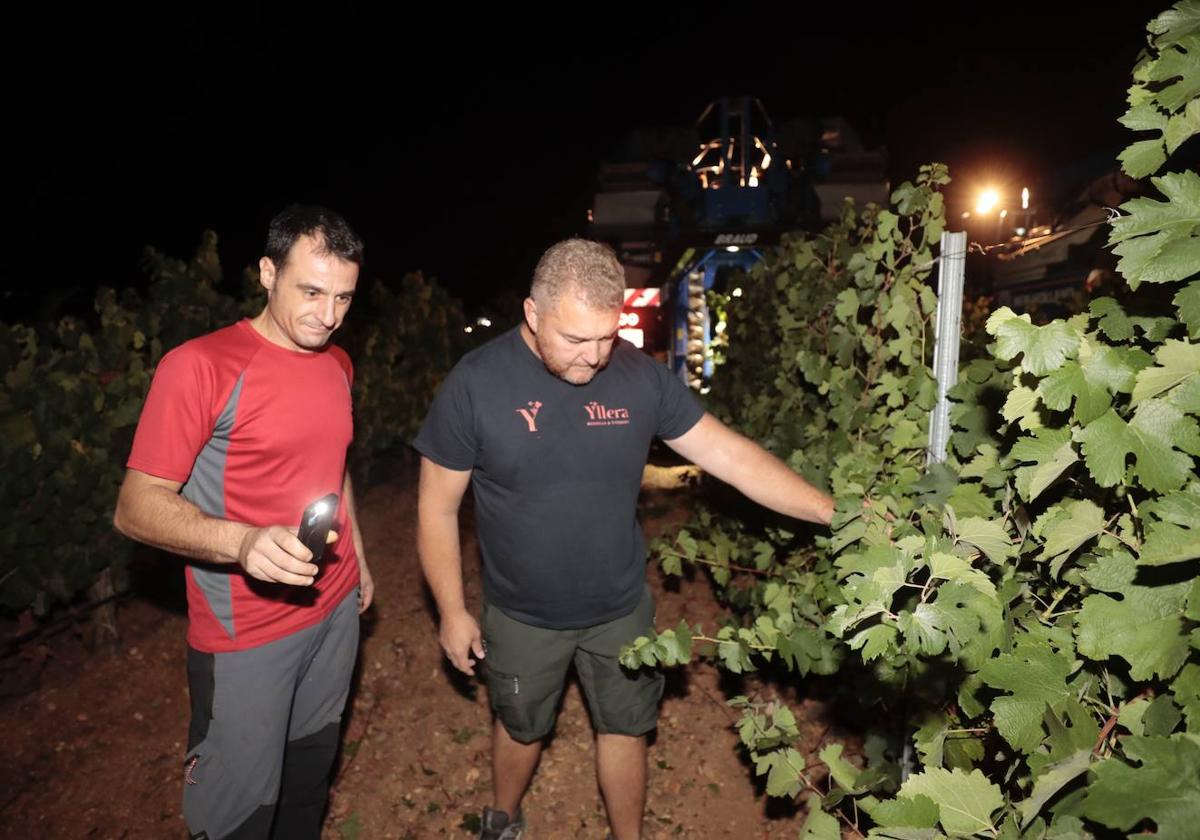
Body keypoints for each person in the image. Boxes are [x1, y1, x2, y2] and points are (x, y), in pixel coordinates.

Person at [415, 238, 834, 840]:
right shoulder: (476, 384)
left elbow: (730, 457)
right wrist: (452, 611)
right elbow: (436, 506)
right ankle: (504, 816)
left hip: (619, 607)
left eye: (607, 337)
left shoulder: (641, 379)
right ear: (533, 316)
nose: (593, 357)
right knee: (520, 724)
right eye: (575, 340)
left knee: (626, 726)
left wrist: (830, 511)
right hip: (521, 613)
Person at [113, 204, 373, 839]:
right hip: (247, 635)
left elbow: (333, 466)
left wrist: (358, 558)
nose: (328, 314)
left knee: (308, 778)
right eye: (311, 291)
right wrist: (242, 541)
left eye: (343, 296)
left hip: (333, 614)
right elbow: (135, 506)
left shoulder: (337, 363)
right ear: (266, 272)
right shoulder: (200, 366)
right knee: (239, 814)